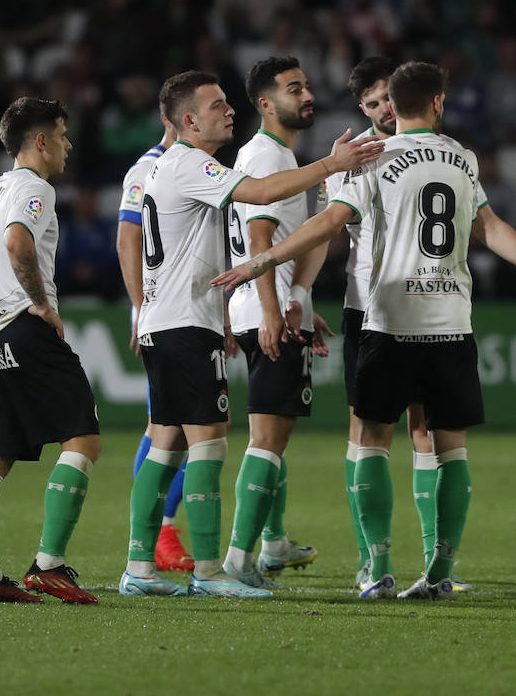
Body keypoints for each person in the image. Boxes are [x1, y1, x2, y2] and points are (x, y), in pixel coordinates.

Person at [213, 61, 516, 599]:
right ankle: (439, 569)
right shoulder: (462, 156)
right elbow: (491, 227)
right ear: (438, 102)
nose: (381, 111)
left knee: (371, 439)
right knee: (447, 445)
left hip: (385, 319)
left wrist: (264, 264)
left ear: (397, 101)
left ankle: (378, 566)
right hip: (450, 321)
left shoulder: (369, 159)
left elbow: (325, 225)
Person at [120, 70, 382, 599]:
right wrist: (332, 166)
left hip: (167, 319)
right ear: (188, 120)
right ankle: (213, 570)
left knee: (165, 444)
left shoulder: (167, 167)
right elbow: (260, 197)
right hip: (185, 322)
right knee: (209, 446)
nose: (229, 111)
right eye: (217, 106)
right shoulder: (194, 164)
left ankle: (138, 568)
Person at [0, 97, 101, 604]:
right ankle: (49, 565)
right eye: (64, 134)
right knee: (83, 440)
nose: (69, 144)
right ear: (41, 140)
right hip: (26, 331)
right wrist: (41, 304)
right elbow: (17, 243)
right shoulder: (35, 188)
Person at [333, 56, 468, 592]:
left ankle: (438, 562)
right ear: (363, 109)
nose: (384, 109)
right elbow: (329, 229)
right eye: (371, 104)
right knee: (368, 431)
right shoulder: (354, 160)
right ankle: (373, 559)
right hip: (366, 308)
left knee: (426, 429)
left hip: (420, 306)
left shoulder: (438, 154)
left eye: (388, 98)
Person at [221, 56, 331, 588]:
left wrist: (305, 305)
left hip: (274, 305)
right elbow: (259, 241)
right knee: (266, 439)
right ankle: (240, 563)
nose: (306, 95)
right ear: (266, 104)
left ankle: (272, 543)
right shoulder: (264, 155)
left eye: (306, 86)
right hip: (268, 311)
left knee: (274, 435)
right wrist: (274, 310)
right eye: (294, 89)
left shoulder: (275, 154)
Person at [115, 123, 195, 573]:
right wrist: (140, 307)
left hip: (186, 312)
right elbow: (128, 239)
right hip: (162, 314)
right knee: (168, 426)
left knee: (177, 427)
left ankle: (157, 533)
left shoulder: (193, 166)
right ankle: (156, 533)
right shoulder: (146, 168)